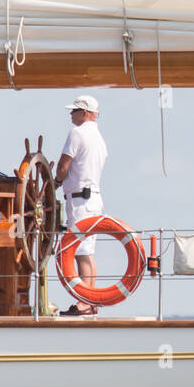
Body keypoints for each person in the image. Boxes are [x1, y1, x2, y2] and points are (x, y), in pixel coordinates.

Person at [55, 94, 108, 316]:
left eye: (74, 110)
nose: (71, 114)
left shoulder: (76, 133)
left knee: (80, 252)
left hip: (79, 200)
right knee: (88, 252)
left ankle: (85, 303)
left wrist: (56, 181)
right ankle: (90, 299)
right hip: (94, 198)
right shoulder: (99, 139)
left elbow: (64, 165)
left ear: (85, 113)